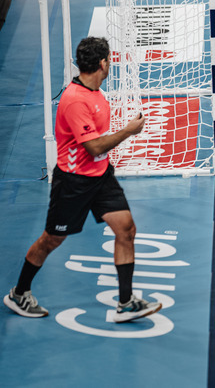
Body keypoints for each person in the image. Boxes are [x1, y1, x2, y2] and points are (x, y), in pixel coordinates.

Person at [3, 37, 162, 323]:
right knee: (52, 239)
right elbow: (94, 147)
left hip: (100, 176)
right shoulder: (76, 99)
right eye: (110, 60)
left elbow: (97, 150)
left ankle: (125, 302)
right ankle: (19, 293)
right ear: (102, 63)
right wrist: (128, 131)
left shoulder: (96, 92)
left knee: (126, 229)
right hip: (73, 183)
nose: (111, 64)